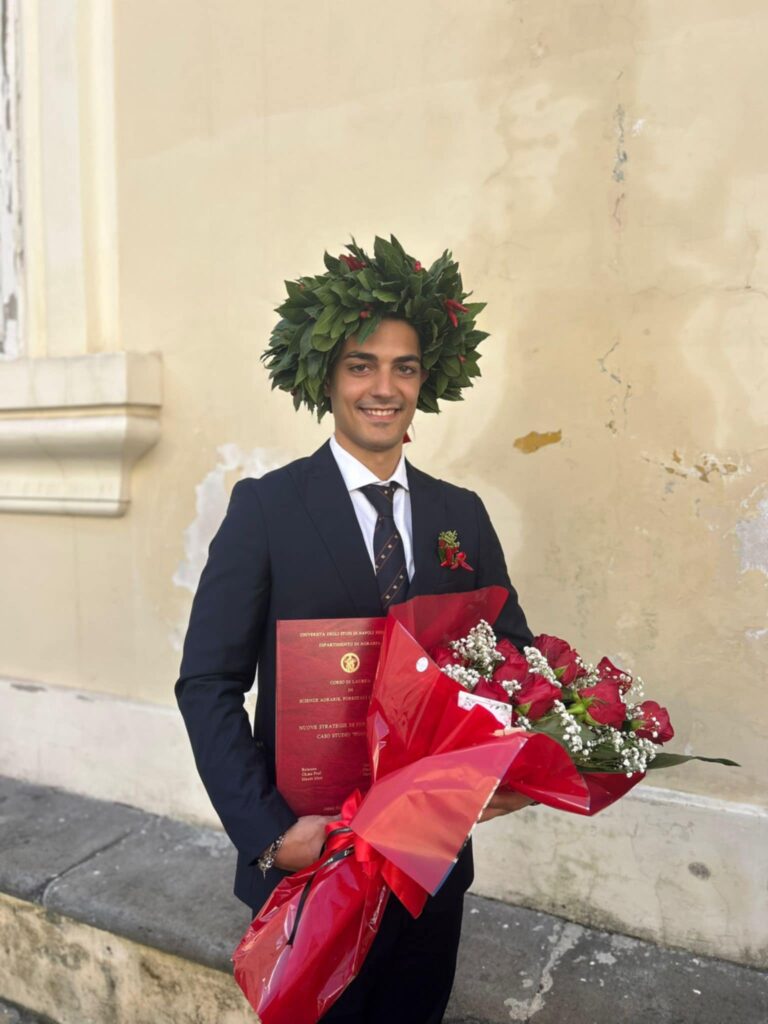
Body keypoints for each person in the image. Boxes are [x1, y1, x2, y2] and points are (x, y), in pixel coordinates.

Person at [175, 236, 535, 1023]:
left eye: (404, 368)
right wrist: (269, 836)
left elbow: (513, 657)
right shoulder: (266, 509)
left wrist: (515, 766)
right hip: (312, 857)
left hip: (432, 864)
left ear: (424, 382)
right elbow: (207, 684)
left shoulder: (460, 515)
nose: (383, 387)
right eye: (361, 366)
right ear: (328, 379)